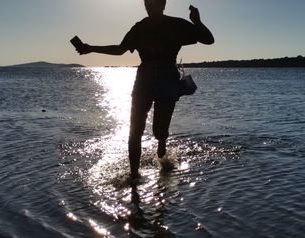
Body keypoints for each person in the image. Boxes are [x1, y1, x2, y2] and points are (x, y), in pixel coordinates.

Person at [75, 0, 214, 177]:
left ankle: (162, 146)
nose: (149, 7)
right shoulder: (139, 27)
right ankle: (134, 176)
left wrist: (197, 21)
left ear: (163, 4)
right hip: (144, 78)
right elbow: (120, 49)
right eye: (147, 4)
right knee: (135, 130)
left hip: (167, 77)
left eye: (153, 4)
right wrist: (91, 48)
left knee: (159, 131)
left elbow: (209, 40)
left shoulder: (177, 25)